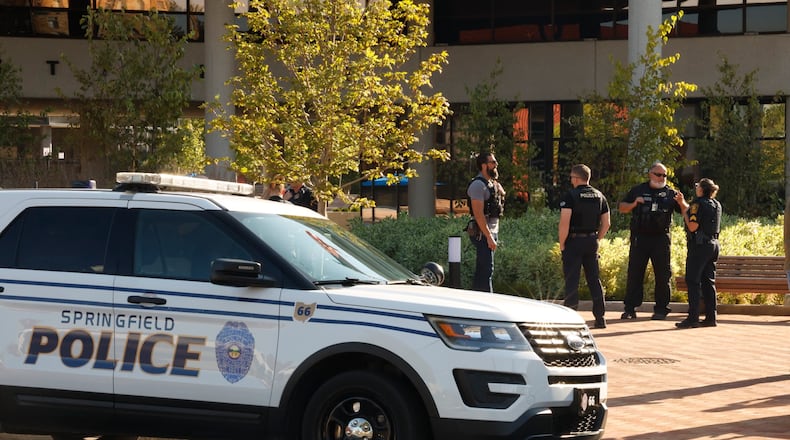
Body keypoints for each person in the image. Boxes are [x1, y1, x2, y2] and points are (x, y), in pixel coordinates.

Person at [618, 162, 682, 320]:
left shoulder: (671, 194)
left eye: (665, 175)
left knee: (662, 275)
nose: (662, 178)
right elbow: (621, 208)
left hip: (661, 239)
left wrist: (682, 202)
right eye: (658, 174)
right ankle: (630, 308)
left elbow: (686, 211)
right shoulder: (638, 190)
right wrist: (634, 203)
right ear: (650, 174)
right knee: (635, 273)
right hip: (640, 237)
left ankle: (661, 309)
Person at [558, 164, 611, 329]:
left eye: (571, 178)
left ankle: (570, 319)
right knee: (594, 280)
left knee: (572, 280)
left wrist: (562, 243)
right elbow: (607, 223)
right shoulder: (599, 195)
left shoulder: (571, 196)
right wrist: (597, 238)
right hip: (591, 240)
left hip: (574, 241)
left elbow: (564, 222)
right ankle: (600, 318)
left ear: (575, 178)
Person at [674, 178, 722, 329]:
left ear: (701, 189)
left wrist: (685, 214)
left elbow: (693, 226)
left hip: (699, 246)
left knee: (693, 280)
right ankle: (710, 317)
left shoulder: (697, 203)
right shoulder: (716, 204)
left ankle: (693, 317)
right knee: (709, 281)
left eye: (697, 186)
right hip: (713, 245)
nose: (696, 188)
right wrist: (683, 204)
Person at [466, 151, 504, 292]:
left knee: (484, 269)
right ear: (484, 165)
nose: (496, 165)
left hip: (491, 231)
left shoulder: (490, 183)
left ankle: (477, 300)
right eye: (493, 162)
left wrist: (498, 188)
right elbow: (478, 214)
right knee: (486, 270)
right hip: (482, 233)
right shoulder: (477, 185)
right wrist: (488, 237)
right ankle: (486, 302)